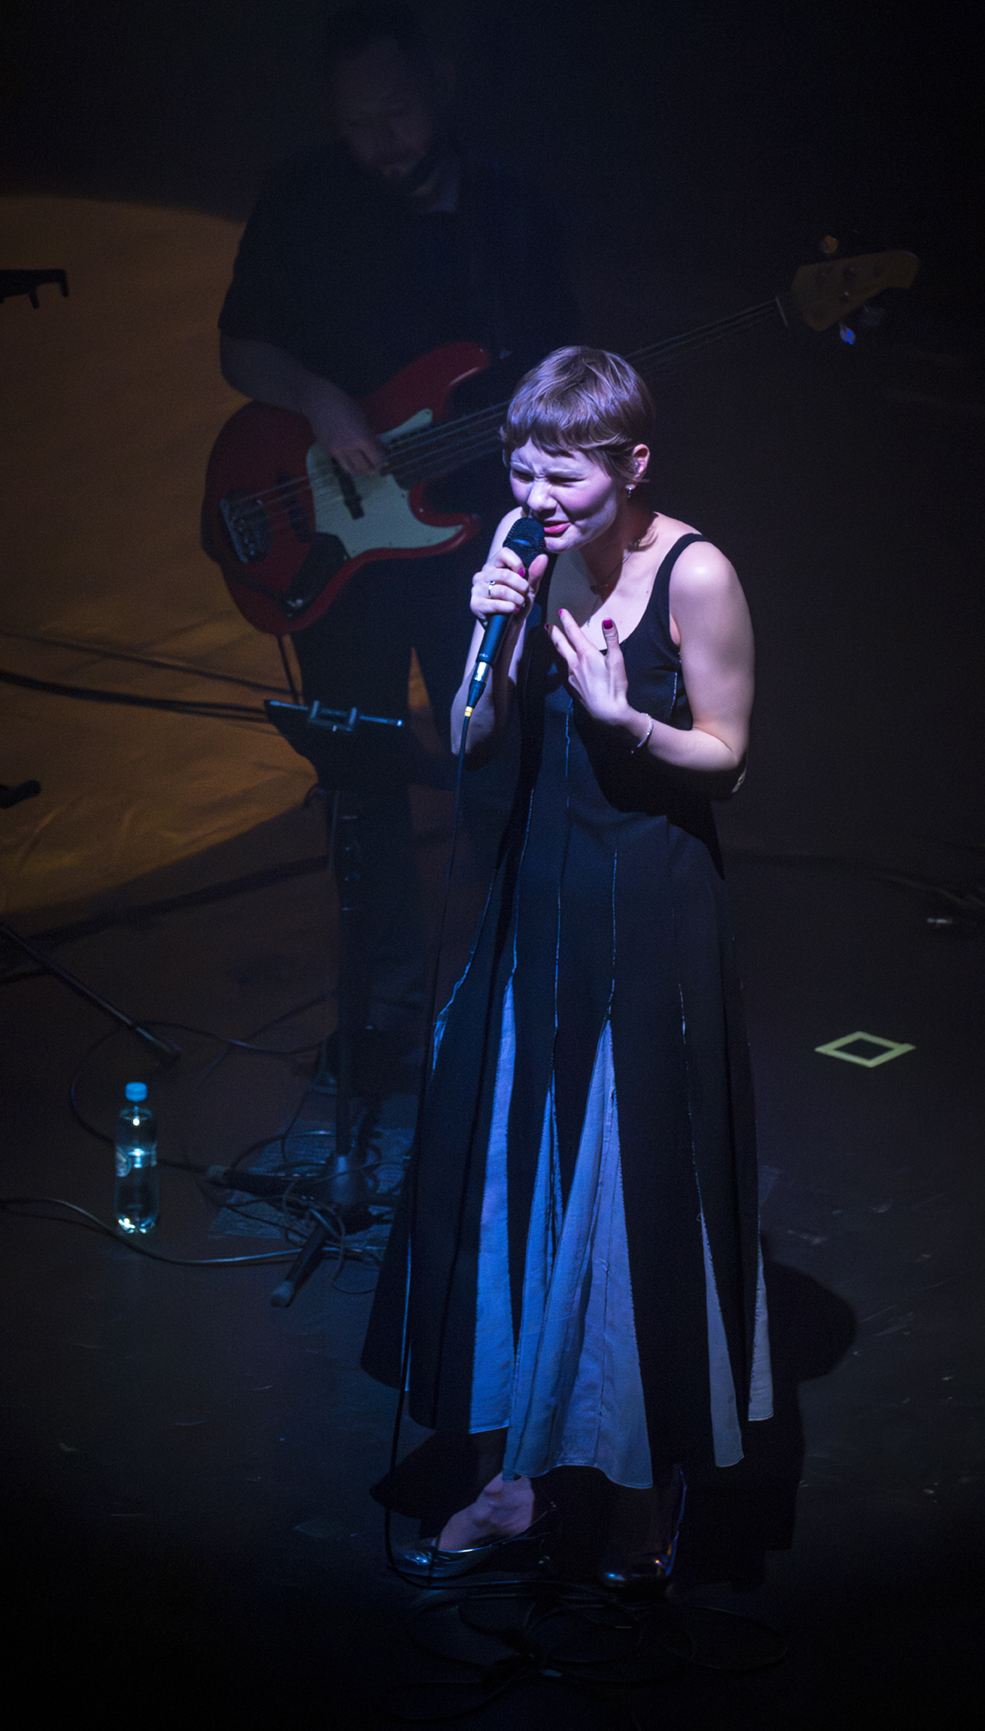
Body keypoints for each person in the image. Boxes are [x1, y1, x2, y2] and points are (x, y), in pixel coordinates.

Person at [361, 346, 773, 1587]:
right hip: (536, 892)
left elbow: (727, 756)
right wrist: (483, 638)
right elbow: (471, 739)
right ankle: (513, 1476)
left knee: (626, 1192)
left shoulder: (694, 574)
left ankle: (642, 1496)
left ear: (632, 465)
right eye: (522, 474)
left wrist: (623, 720)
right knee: (509, 1174)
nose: (538, 500)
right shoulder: (521, 554)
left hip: (647, 903)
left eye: (565, 479)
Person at [218, 4, 576, 1076]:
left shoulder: (509, 211)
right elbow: (240, 347)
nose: (379, 141)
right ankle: (381, 1017)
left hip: (477, 542)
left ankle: (526, 1001)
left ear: (441, 86)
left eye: (398, 113)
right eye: (356, 122)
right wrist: (319, 397)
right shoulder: (302, 195)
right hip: (340, 546)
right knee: (359, 777)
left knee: (501, 766)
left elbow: (560, 375)